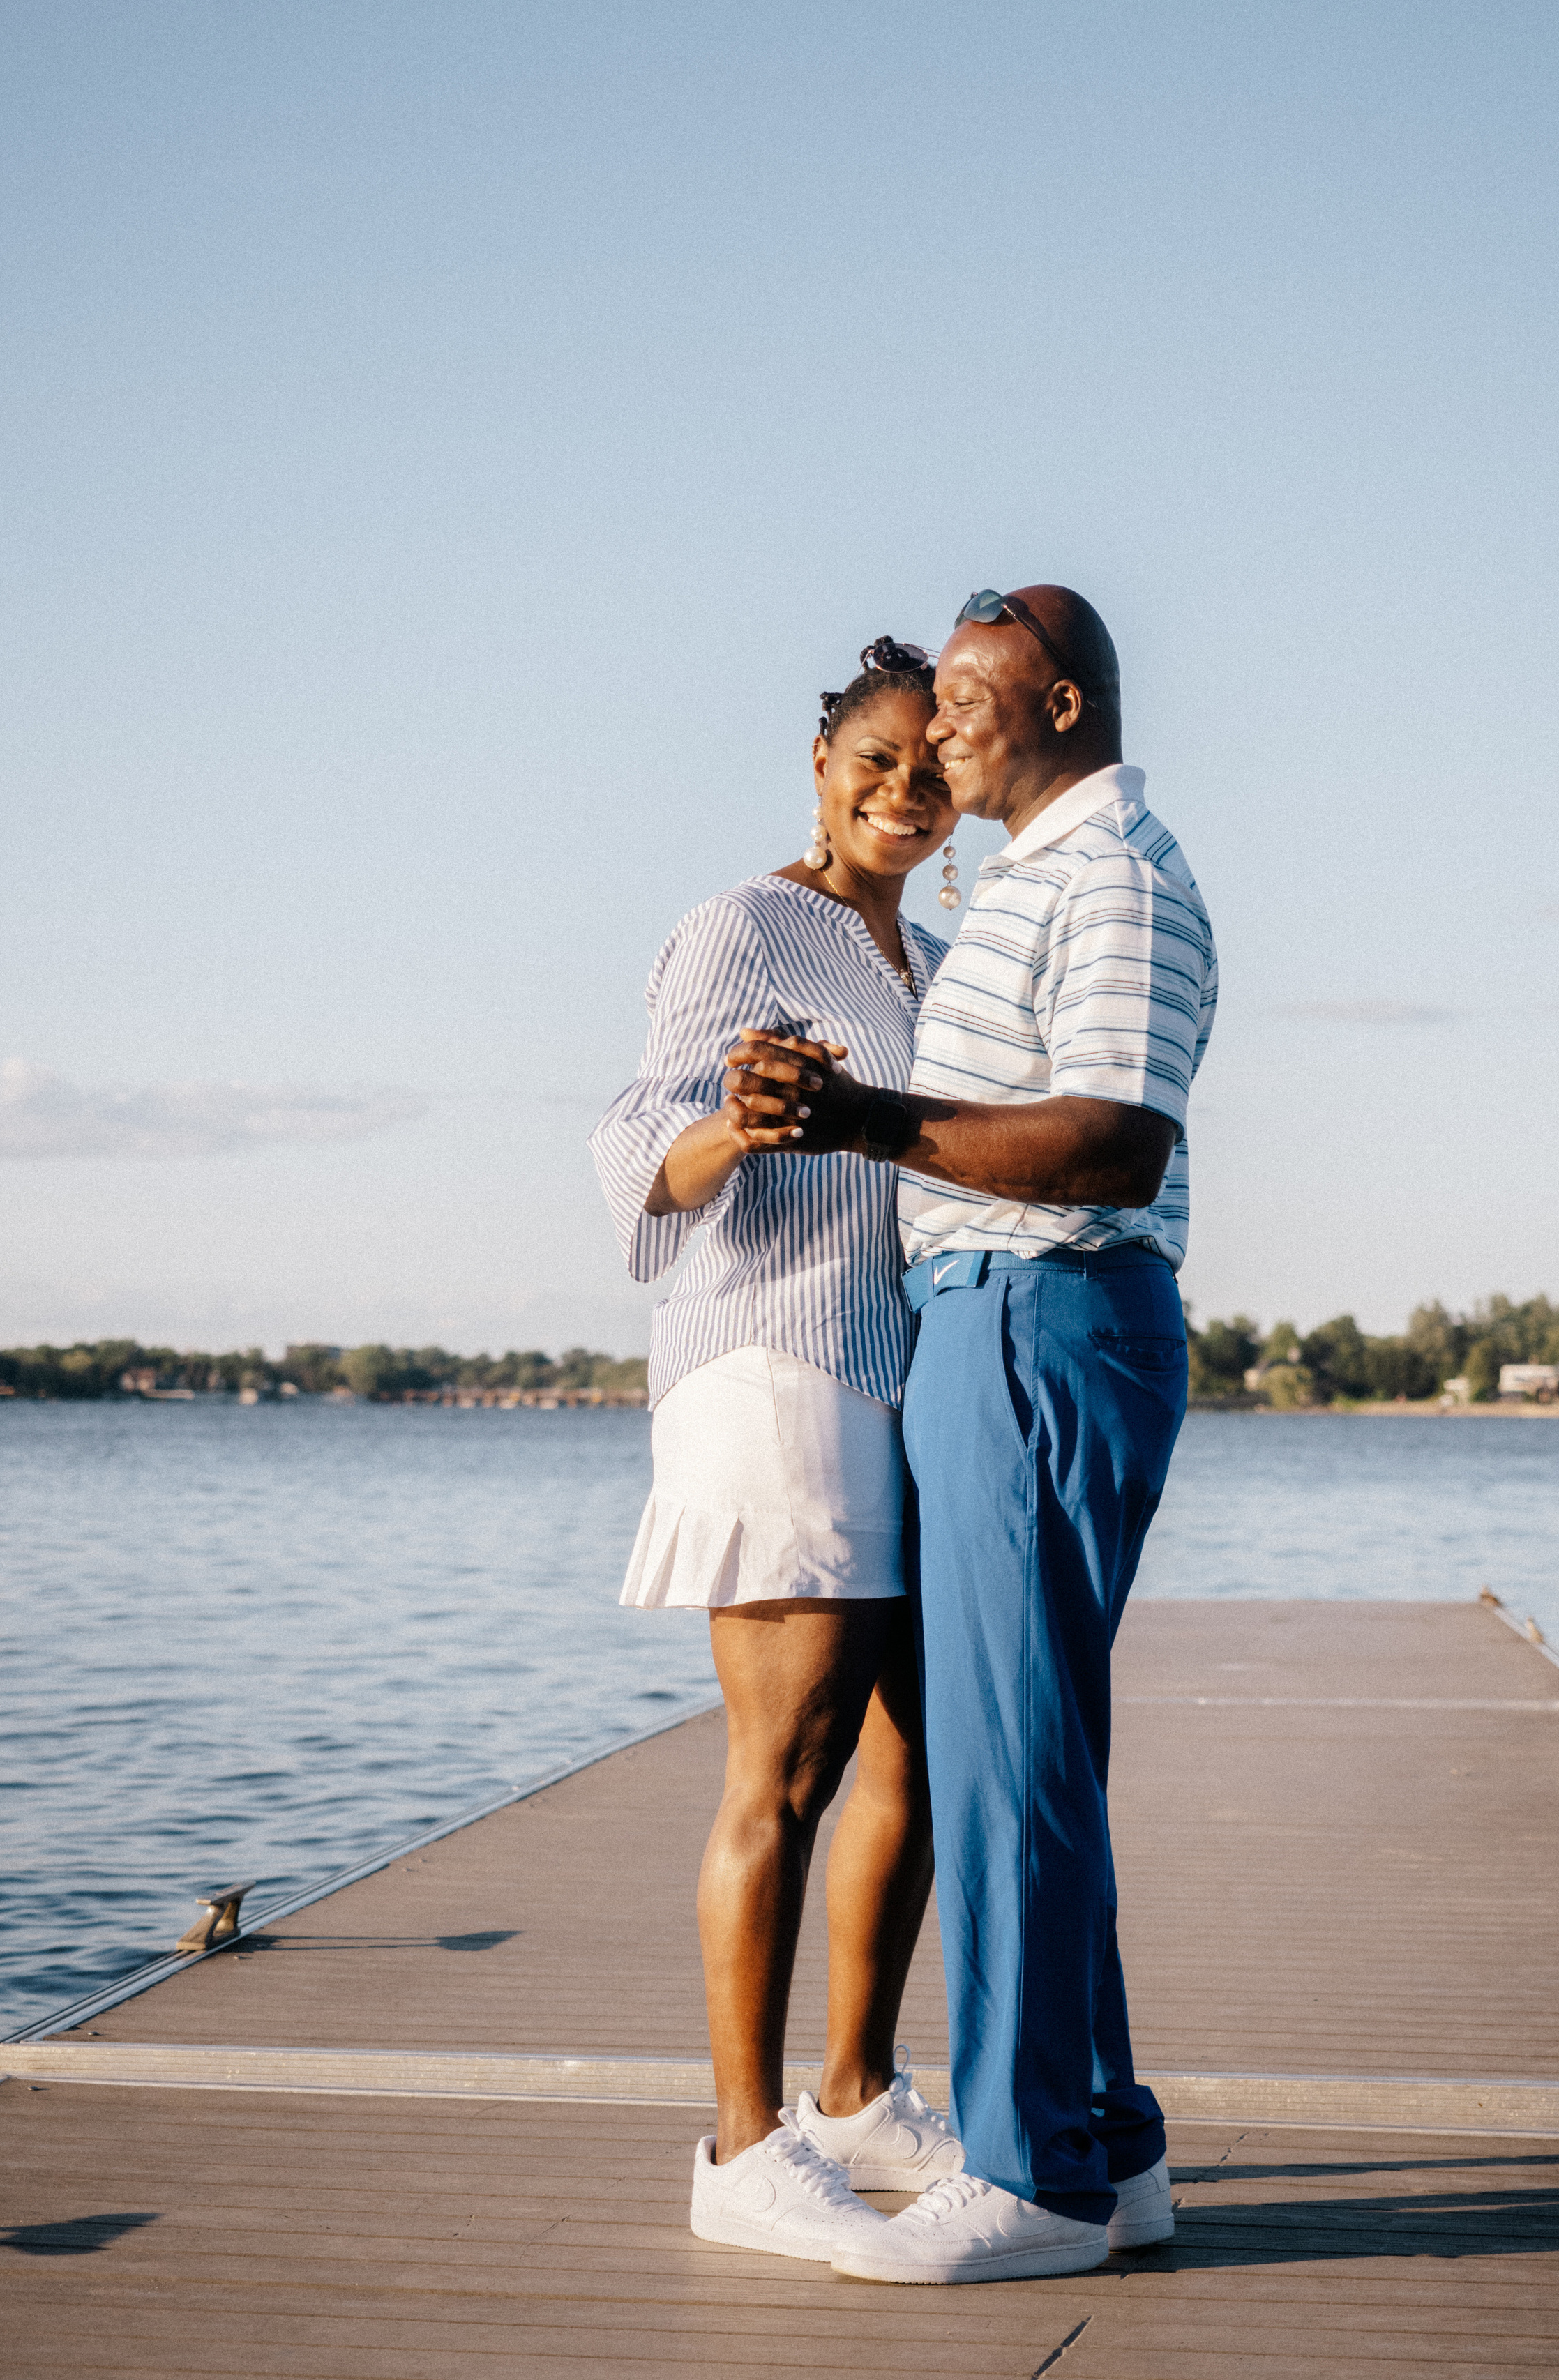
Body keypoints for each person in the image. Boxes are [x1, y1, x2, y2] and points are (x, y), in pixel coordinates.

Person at [763, 586, 1218, 2286]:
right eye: (933, 698)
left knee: (1003, 1767)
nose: (941, 725)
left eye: (971, 695)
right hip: (998, 1323)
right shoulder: (1033, 878)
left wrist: (864, 1118)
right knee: (1026, 1758)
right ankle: (1106, 2146)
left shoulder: (1113, 880)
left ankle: (1030, 2181)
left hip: (1040, 1314)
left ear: (1066, 706)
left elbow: (1109, 1143)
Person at [589, 639, 968, 2266]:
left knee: (919, 1754)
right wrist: (733, 1126)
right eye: (877, 758)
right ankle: (740, 2149)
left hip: (904, 1375)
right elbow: (641, 1135)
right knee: (787, 1768)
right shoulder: (740, 925)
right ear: (821, 762)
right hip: (772, 1362)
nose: (904, 789)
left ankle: (855, 2097)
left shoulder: (938, 957)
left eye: (933, 769)